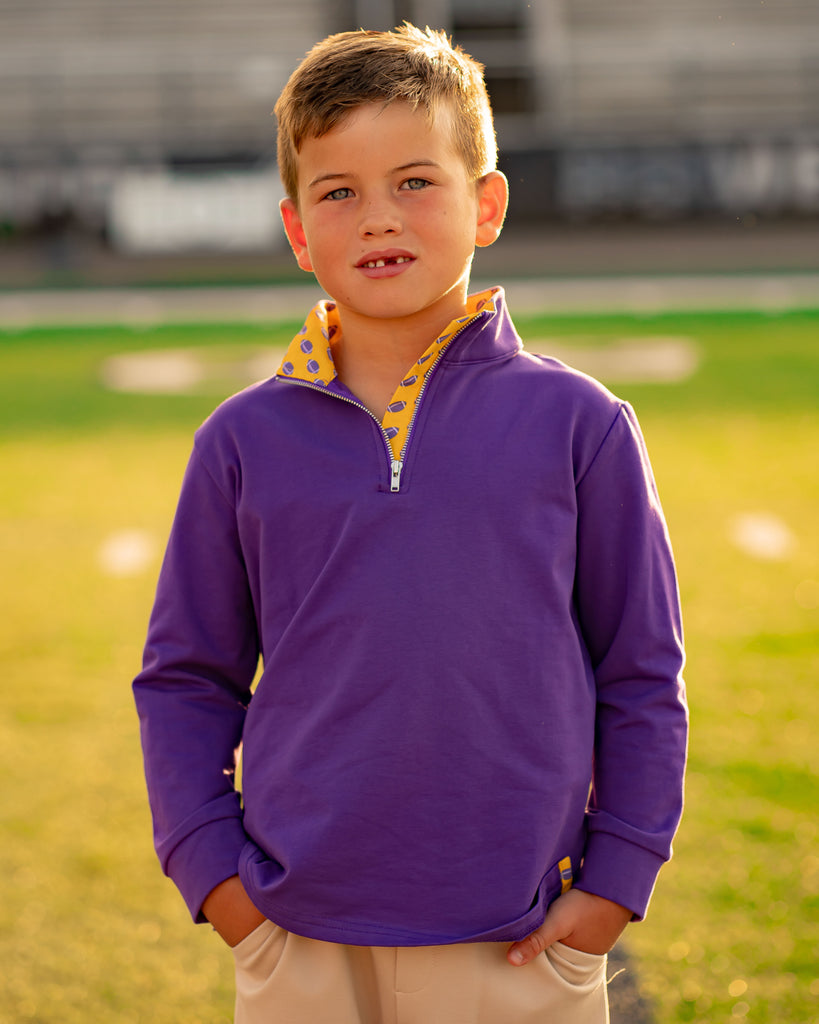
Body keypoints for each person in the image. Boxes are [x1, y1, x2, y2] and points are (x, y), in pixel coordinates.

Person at [133, 24, 687, 1024]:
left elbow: (641, 669)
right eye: (337, 191)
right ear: (298, 229)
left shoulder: (581, 425)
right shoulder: (240, 441)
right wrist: (217, 878)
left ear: (488, 203)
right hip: (296, 933)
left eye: (415, 181)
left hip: (519, 938)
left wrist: (618, 876)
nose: (376, 216)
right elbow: (186, 677)